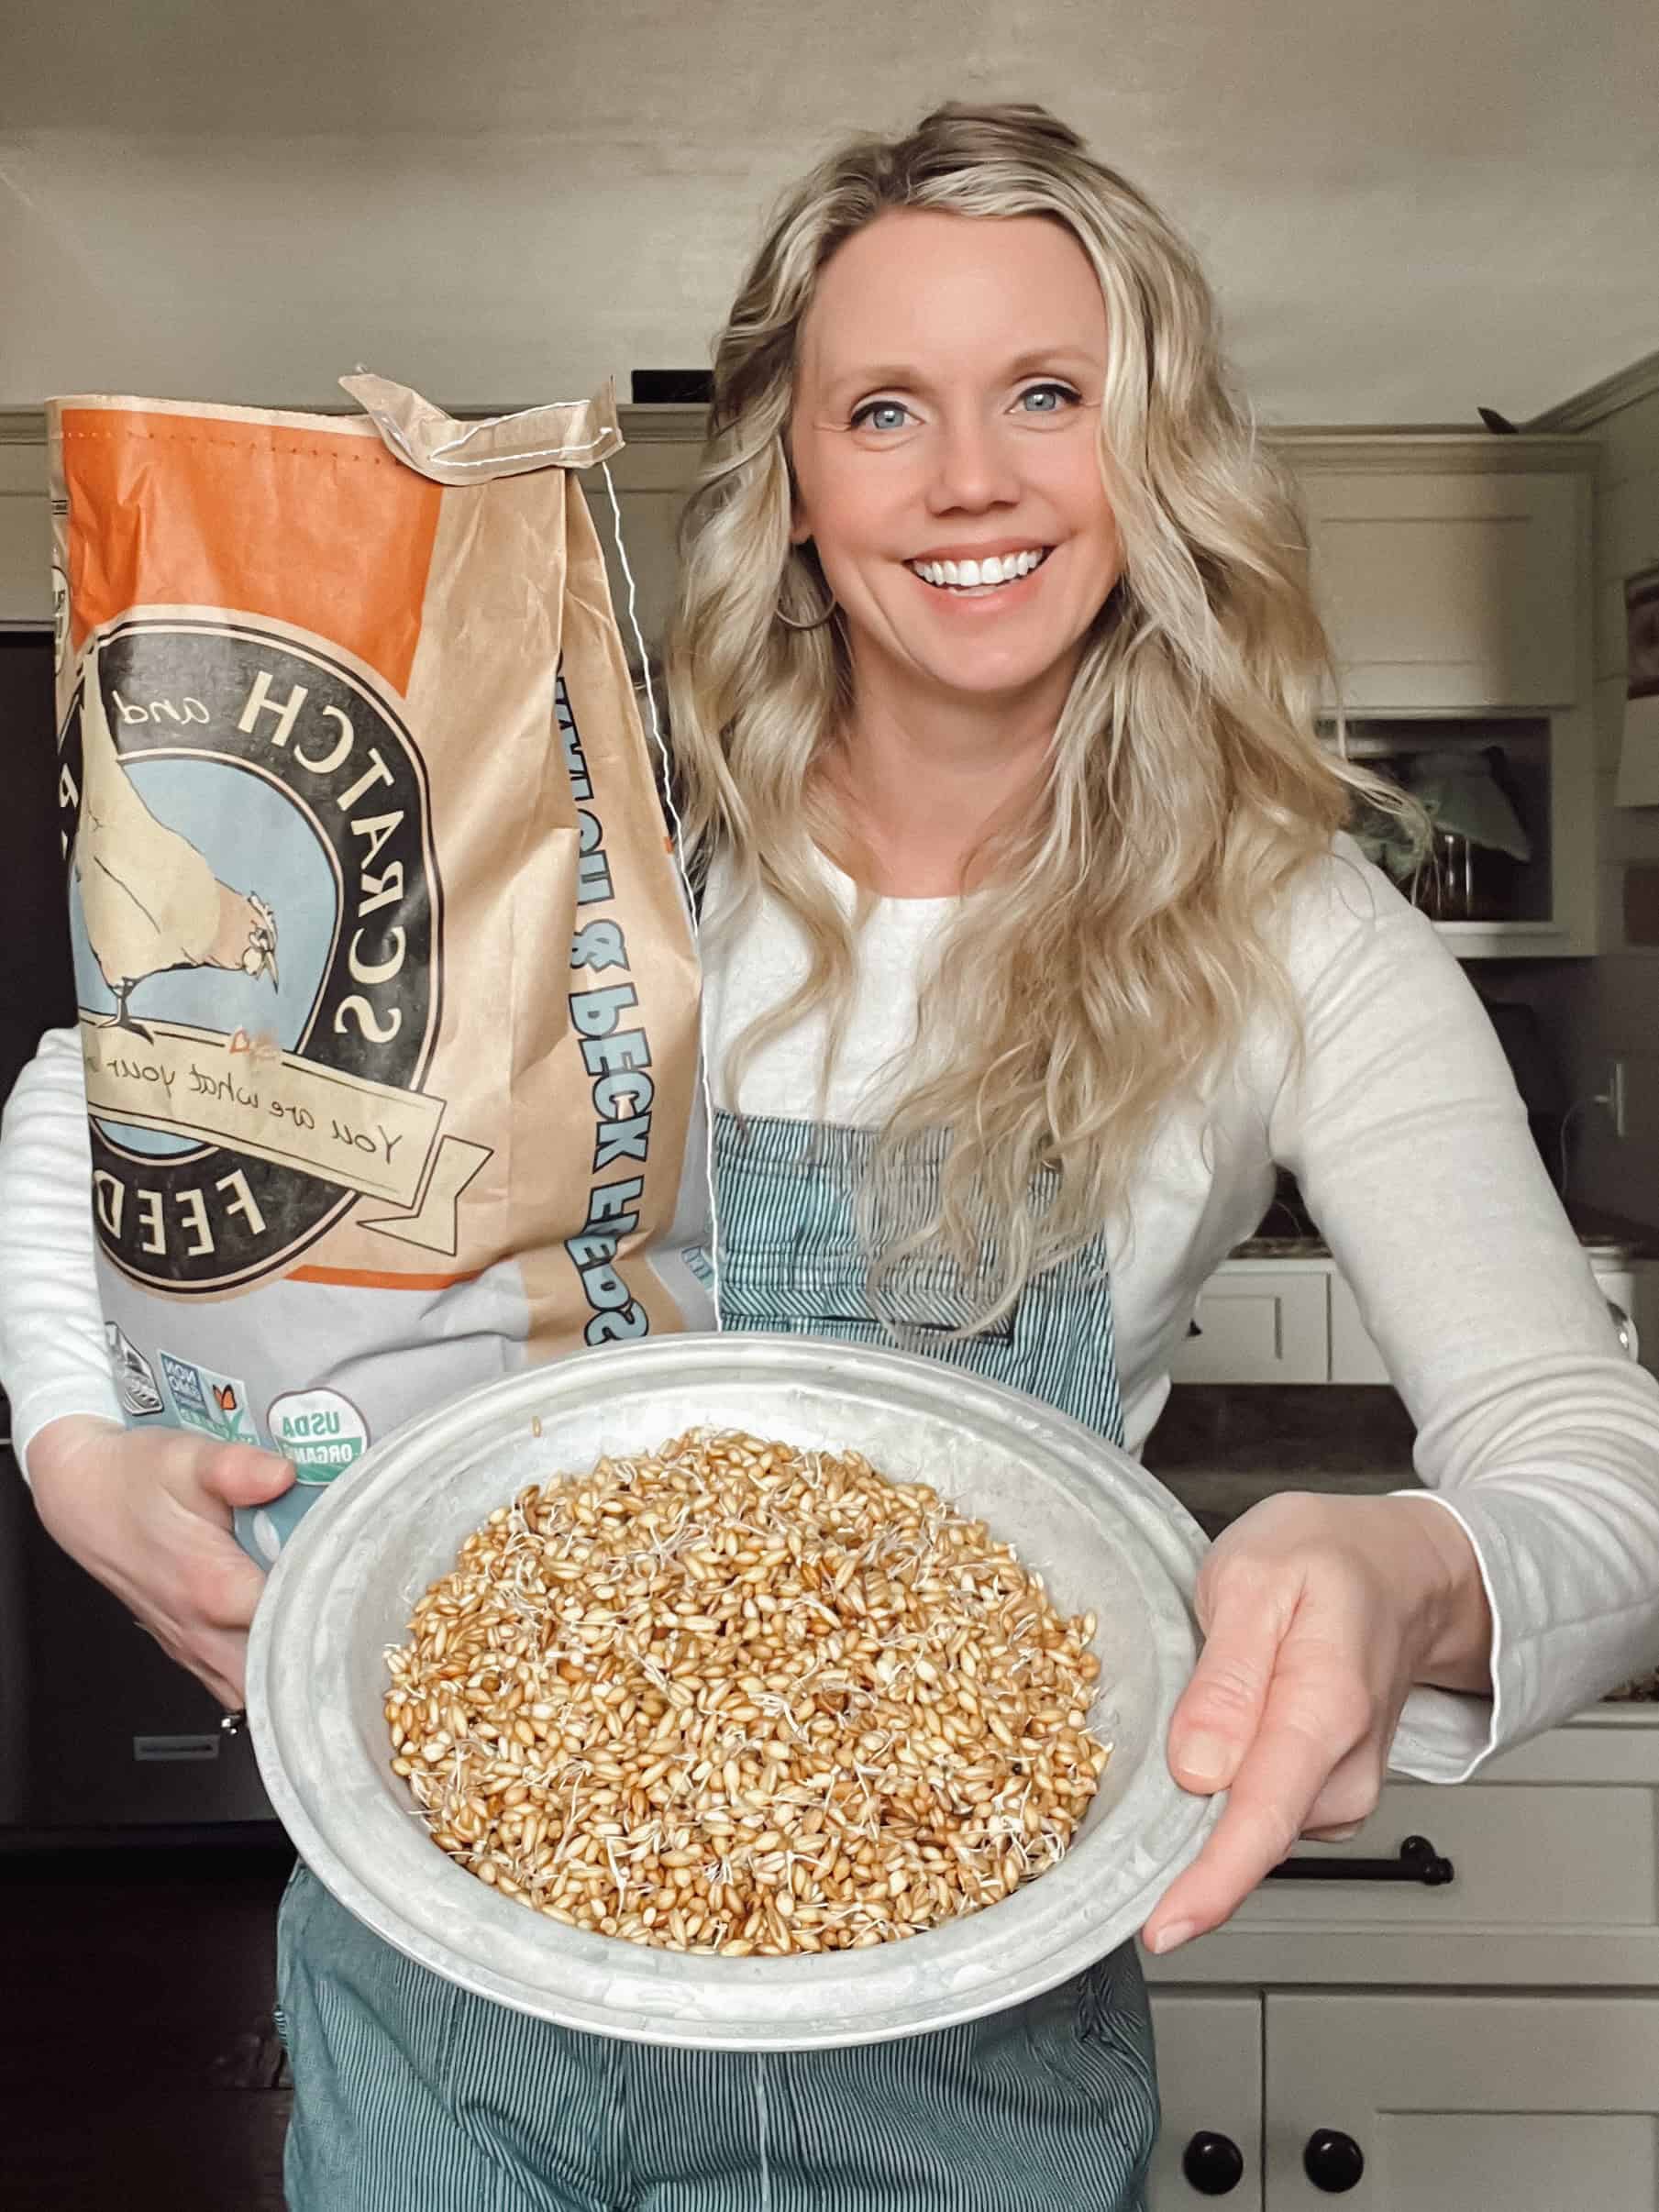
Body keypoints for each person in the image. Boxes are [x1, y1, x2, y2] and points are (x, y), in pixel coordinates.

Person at [6, 99, 1659, 2212]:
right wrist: (74, 1448)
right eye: (885, 408)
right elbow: (119, 1076)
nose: (971, 477)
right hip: (457, 2002)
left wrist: (1407, 1572)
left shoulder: (1290, 935)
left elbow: (1591, 1470)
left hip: (966, 2044)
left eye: (1047, 396)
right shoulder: (600, 842)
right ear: (789, 478)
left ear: (1150, 450)